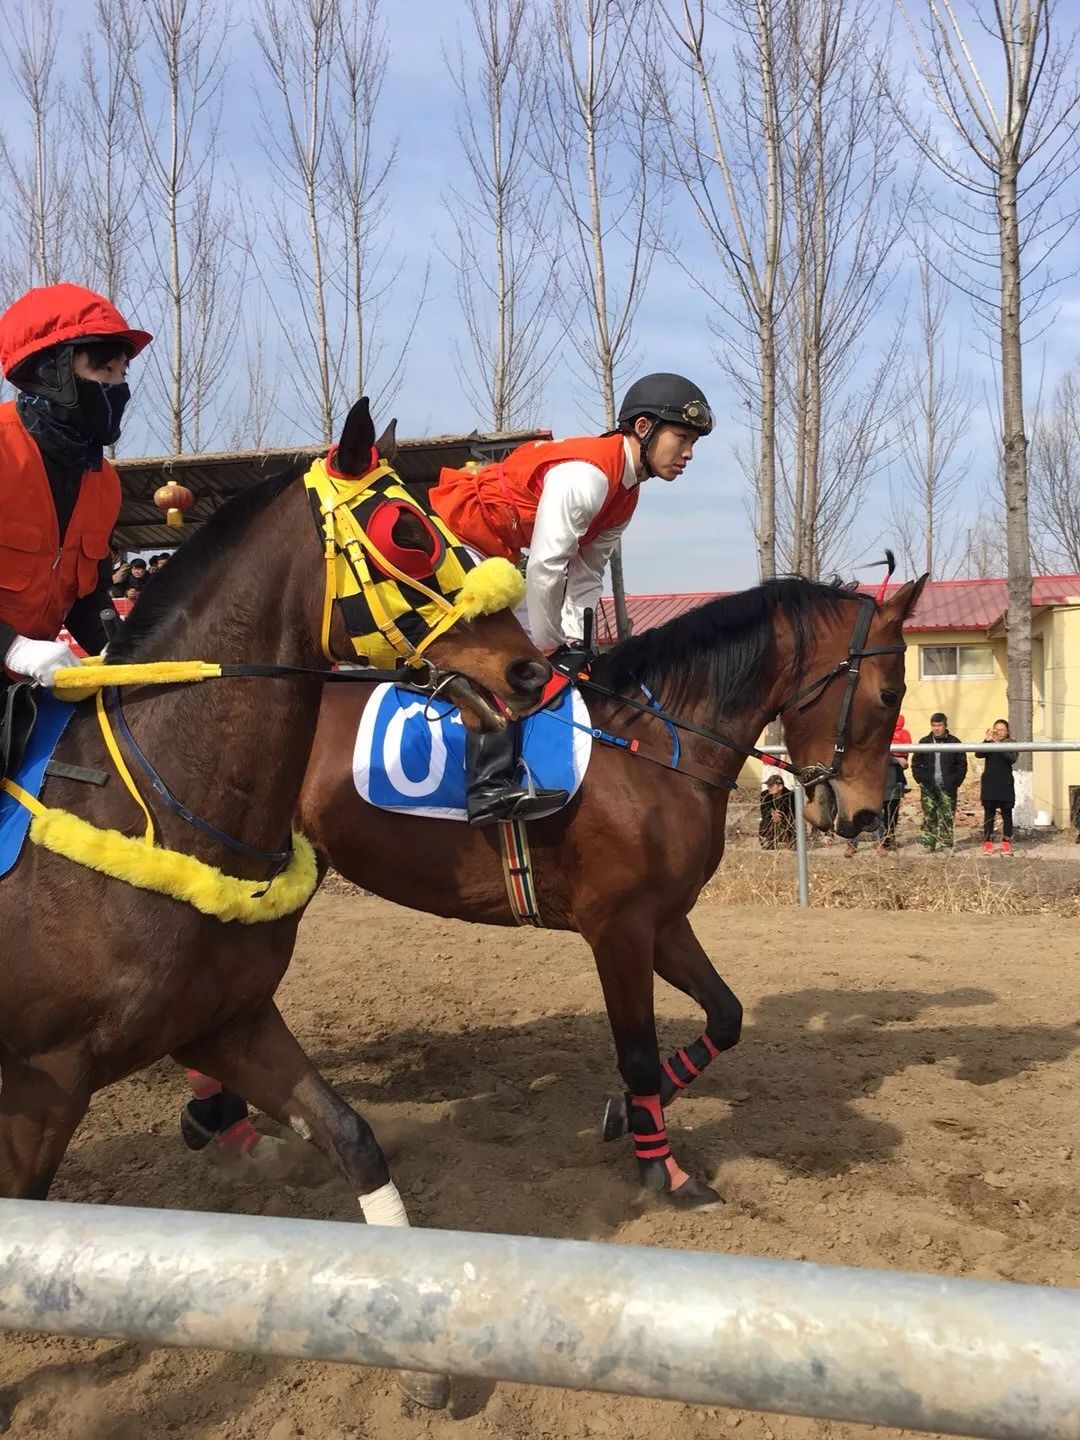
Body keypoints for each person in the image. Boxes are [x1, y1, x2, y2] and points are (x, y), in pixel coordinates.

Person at [431, 372, 714, 825]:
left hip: (498, 556)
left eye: (693, 442)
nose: (688, 454)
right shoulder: (587, 479)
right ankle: (487, 787)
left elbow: (585, 575)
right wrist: (546, 649)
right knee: (515, 655)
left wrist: (575, 641)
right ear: (643, 428)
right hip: (456, 540)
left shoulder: (627, 494)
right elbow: (546, 567)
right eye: (682, 438)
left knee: (558, 651)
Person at [0, 283, 152, 693]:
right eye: (105, 371)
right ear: (52, 372)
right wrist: (11, 649)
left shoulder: (105, 483)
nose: (118, 388)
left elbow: (87, 595)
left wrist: (118, 655)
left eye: (122, 374)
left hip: (30, 686)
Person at [911, 711, 967, 853]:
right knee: (929, 816)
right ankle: (929, 844)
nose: (936, 728)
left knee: (947, 816)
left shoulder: (954, 742)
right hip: (928, 787)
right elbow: (915, 763)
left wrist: (954, 782)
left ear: (945, 726)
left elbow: (961, 765)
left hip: (947, 788)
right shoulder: (925, 742)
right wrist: (921, 779)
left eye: (939, 725)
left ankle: (946, 845)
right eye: (934, 725)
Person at [976, 718, 1016, 855]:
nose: (999, 732)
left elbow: (1012, 758)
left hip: (1005, 783)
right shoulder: (989, 743)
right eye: (996, 729)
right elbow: (978, 754)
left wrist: (998, 744)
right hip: (990, 783)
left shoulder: (1012, 743)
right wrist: (987, 740)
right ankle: (987, 842)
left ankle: (1006, 843)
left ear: (1007, 732)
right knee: (989, 814)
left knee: (1007, 813)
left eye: (1002, 730)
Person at [759, 773, 796, 849]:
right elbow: (763, 811)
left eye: (771, 786)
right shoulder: (765, 795)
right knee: (766, 820)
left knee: (792, 822)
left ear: (780, 786)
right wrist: (772, 813)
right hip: (771, 820)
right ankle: (769, 841)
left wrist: (780, 815)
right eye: (768, 786)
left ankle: (791, 840)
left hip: (787, 821)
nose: (769, 788)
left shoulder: (790, 796)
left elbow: (793, 813)